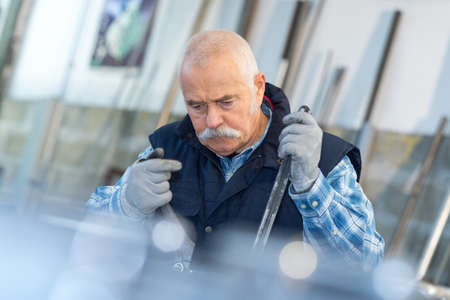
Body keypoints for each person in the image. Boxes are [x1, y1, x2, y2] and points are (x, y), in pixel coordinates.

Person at [87, 30, 384, 269]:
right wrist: (125, 204)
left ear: (257, 88)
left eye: (226, 102)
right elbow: (85, 233)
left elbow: (366, 264)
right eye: (197, 105)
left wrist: (311, 188)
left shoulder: (321, 159)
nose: (212, 121)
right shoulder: (167, 147)